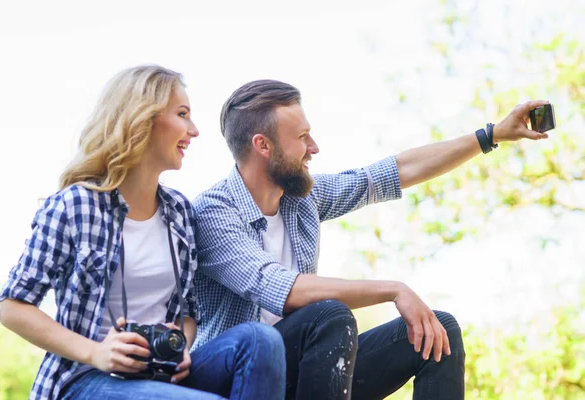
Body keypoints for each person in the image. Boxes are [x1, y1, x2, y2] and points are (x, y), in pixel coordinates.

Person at [192, 79, 550, 399]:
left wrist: (491, 135)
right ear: (263, 146)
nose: (314, 147)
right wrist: (394, 289)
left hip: (303, 372)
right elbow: (282, 290)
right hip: (239, 377)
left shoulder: (301, 200)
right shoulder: (213, 212)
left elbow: (390, 173)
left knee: (436, 334)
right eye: (302, 138)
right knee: (327, 314)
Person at [0, 67, 286, 400]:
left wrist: (180, 344)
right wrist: (96, 352)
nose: (194, 130)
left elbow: (188, 313)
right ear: (142, 119)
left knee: (260, 339)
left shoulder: (179, 211)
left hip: (161, 376)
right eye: (182, 114)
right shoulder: (74, 205)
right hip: (88, 379)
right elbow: (13, 307)